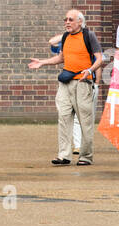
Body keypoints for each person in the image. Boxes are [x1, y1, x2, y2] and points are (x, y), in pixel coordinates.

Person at [29, 10, 103, 166]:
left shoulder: (89, 36)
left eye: (71, 19)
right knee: (63, 118)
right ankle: (64, 155)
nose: (67, 22)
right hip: (65, 83)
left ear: (80, 22)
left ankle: (86, 156)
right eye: (65, 19)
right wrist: (42, 62)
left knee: (85, 120)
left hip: (83, 83)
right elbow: (61, 58)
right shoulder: (65, 37)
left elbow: (99, 59)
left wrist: (89, 71)